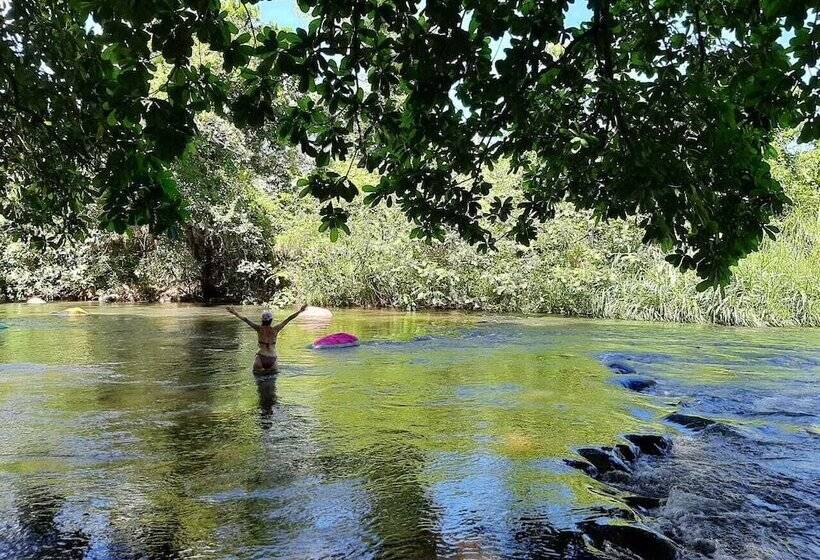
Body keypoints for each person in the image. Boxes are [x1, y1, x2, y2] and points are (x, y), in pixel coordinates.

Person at [226, 304, 307, 373]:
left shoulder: (258, 328)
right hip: (272, 358)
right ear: (271, 320)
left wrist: (234, 312)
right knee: (272, 383)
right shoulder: (276, 329)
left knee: (259, 382)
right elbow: (289, 319)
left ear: (262, 320)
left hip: (260, 358)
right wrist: (300, 311)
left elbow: (246, 320)